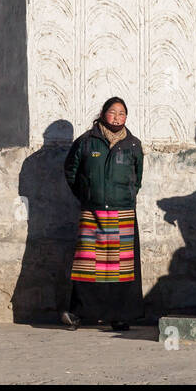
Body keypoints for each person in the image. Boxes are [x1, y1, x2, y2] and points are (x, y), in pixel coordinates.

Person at [61, 97, 145, 331]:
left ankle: (119, 315)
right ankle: (79, 313)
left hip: (123, 213)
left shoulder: (133, 145)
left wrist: (125, 196)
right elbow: (71, 172)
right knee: (87, 266)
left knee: (121, 270)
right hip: (93, 212)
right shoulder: (86, 142)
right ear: (102, 114)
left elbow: (137, 179)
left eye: (121, 113)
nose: (117, 117)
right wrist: (87, 194)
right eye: (112, 112)